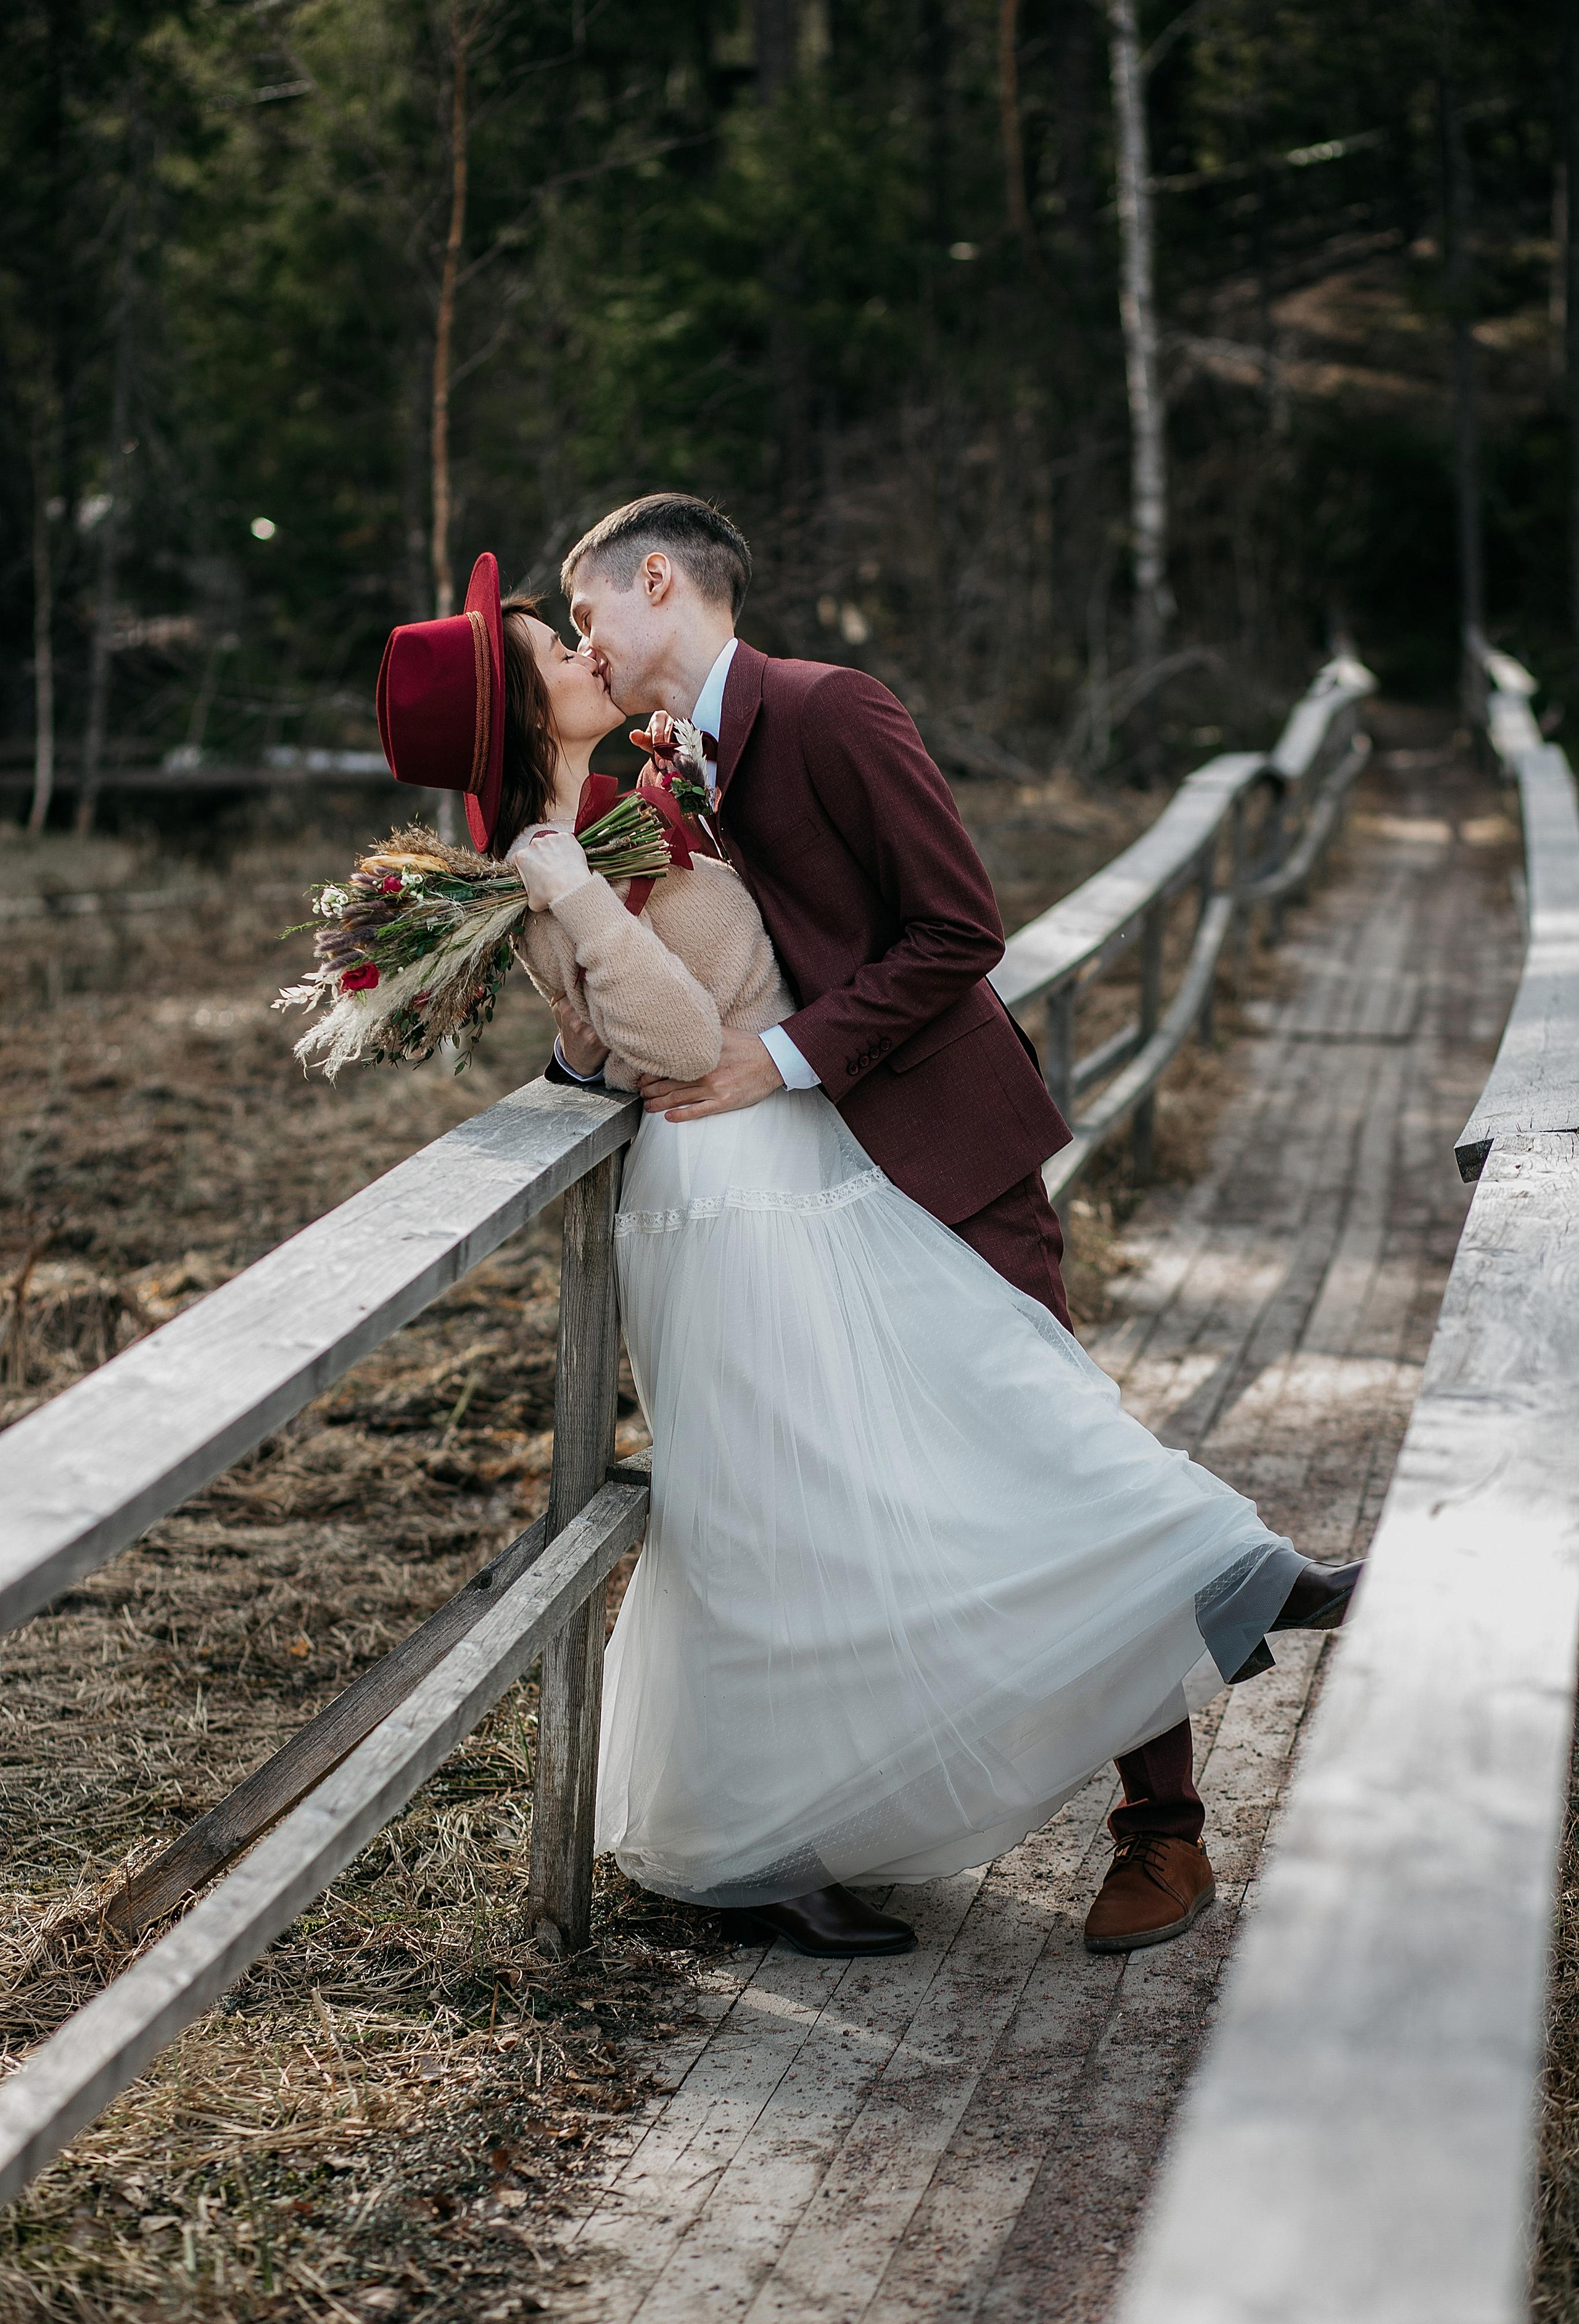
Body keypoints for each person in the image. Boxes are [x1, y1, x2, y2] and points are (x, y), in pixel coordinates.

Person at [375, 521, 1358, 1960]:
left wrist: (768, 1059)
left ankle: (1164, 1816)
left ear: (657, 585)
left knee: (1032, 1419)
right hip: (777, 1183)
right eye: (552, 636)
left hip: (926, 1136)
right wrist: (592, 1016)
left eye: (576, 605)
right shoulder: (632, 783)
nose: (574, 634)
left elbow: (957, 927)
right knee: (843, 1494)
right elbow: (624, 1012)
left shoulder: (820, 709)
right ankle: (1168, 1630)